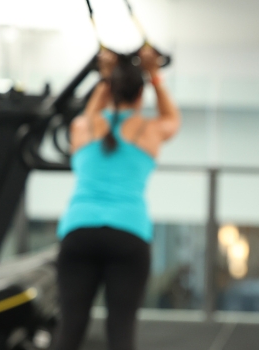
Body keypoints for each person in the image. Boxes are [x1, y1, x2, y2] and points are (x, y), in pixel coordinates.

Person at [52, 47, 181, 350]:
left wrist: (106, 75)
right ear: (140, 96)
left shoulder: (83, 127)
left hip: (79, 232)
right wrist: (154, 75)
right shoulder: (148, 131)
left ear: (109, 91)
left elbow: (90, 113)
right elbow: (172, 118)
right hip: (128, 235)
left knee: (70, 329)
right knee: (121, 332)